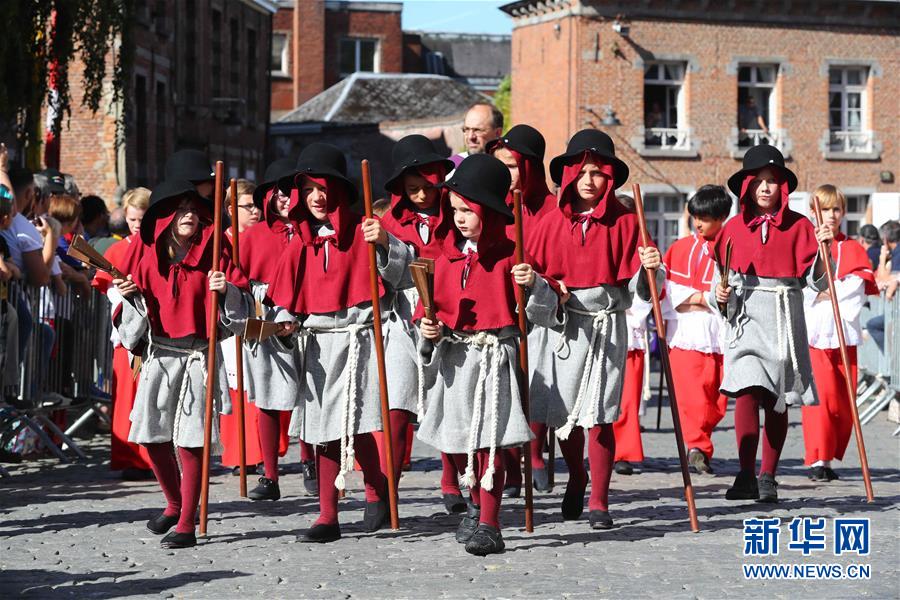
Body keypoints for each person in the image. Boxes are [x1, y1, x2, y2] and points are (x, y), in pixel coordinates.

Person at [526, 129, 664, 531]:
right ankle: (577, 476)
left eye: (598, 173)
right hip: (562, 324)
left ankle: (600, 500)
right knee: (564, 414)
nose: (589, 180)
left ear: (610, 178)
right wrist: (539, 284)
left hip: (606, 325)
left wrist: (649, 265)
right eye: (582, 171)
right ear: (569, 174)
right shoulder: (549, 220)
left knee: (600, 415)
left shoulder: (625, 219)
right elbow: (530, 271)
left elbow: (645, 281)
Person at [268, 143, 403, 543]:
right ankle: (329, 514)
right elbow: (282, 301)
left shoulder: (365, 231)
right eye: (308, 188)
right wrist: (284, 324)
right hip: (317, 344)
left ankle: (376, 488)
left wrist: (383, 243)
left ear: (339, 191)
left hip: (358, 339)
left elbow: (399, 277)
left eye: (323, 187)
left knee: (357, 422)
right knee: (323, 429)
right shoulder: (298, 244)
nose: (316, 196)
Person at [416, 154, 546, 556]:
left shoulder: (510, 254)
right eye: (453, 209)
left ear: (487, 211)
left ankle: (491, 523)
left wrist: (534, 283)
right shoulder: (442, 256)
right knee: (459, 441)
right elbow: (426, 310)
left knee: (490, 441)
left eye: (467, 210)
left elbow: (541, 313)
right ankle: (474, 506)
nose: (458, 218)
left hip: (494, 356)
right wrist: (428, 328)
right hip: (455, 358)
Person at [112, 179, 250, 549]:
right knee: (151, 436)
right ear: (167, 214)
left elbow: (240, 313)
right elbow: (131, 328)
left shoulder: (216, 249)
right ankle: (173, 503)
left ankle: (188, 521)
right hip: (159, 354)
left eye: (194, 208)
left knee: (191, 442)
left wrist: (227, 291)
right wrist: (131, 298)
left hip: (198, 355)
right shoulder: (146, 253)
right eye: (181, 208)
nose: (189, 215)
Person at [714, 145, 833, 503]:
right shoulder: (732, 228)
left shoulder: (800, 226)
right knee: (747, 391)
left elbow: (817, 282)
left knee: (778, 399)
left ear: (782, 188)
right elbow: (721, 280)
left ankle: (768, 474)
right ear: (747, 186)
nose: (766, 188)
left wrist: (825, 251)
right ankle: (746, 472)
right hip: (747, 316)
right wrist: (720, 297)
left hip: (784, 315)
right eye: (759, 181)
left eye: (773, 181)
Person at [378, 135, 460, 509]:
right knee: (397, 402)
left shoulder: (456, 214)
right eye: (413, 189)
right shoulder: (390, 221)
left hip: (447, 311)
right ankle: (385, 489)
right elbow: (388, 276)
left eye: (428, 187)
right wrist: (386, 245)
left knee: (449, 397)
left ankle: (452, 482)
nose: (422, 195)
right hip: (402, 317)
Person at [484, 124, 557, 496]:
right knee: (505, 384)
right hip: (500, 307)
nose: (506, 175)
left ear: (529, 167)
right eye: (501, 167)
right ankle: (513, 461)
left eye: (512, 167)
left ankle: (536, 451)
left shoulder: (553, 210)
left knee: (537, 379)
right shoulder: (493, 207)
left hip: (541, 308)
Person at [222, 162, 299, 500]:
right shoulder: (251, 237)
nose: (284, 200)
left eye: (290, 194)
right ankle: (269, 474)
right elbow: (238, 278)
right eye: (279, 194)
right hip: (265, 310)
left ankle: (311, 460)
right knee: (267, 394)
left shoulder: (308, 231)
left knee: (312, 394)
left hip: (308, 311)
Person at [802, 185, 877, 481]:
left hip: (843, 332)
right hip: (815, 334)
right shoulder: (804, 246)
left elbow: (854, 290)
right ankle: (816, 459)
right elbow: (803, 290)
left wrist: (826, 292)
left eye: (836, 209)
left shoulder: (854, 248)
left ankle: (828, 458)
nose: (831, 215)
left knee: (842, 403)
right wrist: (825, 292)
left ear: (843, 213)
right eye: (825, 209)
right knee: (821, 398)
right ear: (813, 212)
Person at [661, 185, 732, 475]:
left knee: (715, 400)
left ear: (721, 217)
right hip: (686, 335)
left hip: (719, 335)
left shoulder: (731, 247)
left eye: (705, 217)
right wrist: (706, 298)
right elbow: (671, 293)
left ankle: (700, 443)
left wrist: (703, 299)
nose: (698, 223)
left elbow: (732, 292)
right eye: (695, 217)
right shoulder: (678, 249)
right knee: (690, 396)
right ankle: (695, 447)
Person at [91, 187, 153, 479]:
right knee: (128, 394)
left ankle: (155, 457)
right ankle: (130, 456)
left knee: (154, 396)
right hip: (128, 331)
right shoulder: (118, 249)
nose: (137, 225)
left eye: (141, 218)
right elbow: (106, 287)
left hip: (159, 331)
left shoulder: (161, 247)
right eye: (131, 220)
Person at [450, 102, 503, 170]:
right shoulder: (451, 167)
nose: (470, 137)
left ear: (498, 133)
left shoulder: (510, 165)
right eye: (466, 129)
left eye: (477, 130)